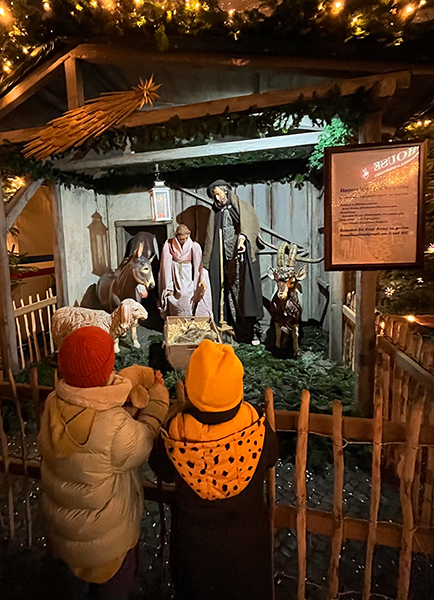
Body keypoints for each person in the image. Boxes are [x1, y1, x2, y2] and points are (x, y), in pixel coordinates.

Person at [38, 326, 169, 600]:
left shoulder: (54, 403)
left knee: (74, 587)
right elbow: (145, 438)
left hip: (68, 536)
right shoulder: (112, 426)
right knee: (114, 591)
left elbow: (93, 400)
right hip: (108, 546)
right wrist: (157, 398)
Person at [150, 340, 279, 600]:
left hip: (194, 552)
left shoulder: (176, 432)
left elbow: (161, 469)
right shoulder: (255, 427)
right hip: (247, 551)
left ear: (192, 383)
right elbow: (272, 457)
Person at [203, 180, 265, 344]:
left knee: (244, 294)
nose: (217, 198)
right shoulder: (216, 213)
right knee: (229, 294)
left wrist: (243, 239)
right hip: (225, 261)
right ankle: (234, 328)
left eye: (218, 193)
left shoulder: (241, 207)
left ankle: (251, 331)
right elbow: (211, 238)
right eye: (215, 195)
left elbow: (249, 226)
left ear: (226, 191)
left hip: (240, 261)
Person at [159, 223, 213, 318]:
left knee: (187, 295)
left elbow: (198, 265)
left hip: (188, 274)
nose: (183, 241)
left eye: (185, 239)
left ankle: (189, 316)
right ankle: (177, 318)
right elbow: (165, 265)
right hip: (175, 273)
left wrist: (200, 279)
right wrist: (169, 285)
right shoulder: (169, 245)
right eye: (181, 239)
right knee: (176, 297)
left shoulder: (194, 246)